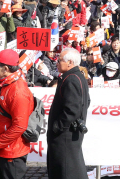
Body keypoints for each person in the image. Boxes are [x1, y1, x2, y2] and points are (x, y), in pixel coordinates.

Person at [0, 49, 34, 179]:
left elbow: (19, 126)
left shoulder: (17, 91)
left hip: (12, 153)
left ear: (5, 68)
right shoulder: (4, 84)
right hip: (1, 149)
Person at [47, 48, 91, 179]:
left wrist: (57, 126)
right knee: (71, 168)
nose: (57, 63)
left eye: (59, 60)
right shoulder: (78, 76)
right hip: (70, 133)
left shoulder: (71, 79)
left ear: (70, 62)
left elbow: (72, 109)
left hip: (65, 135)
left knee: (66, 171)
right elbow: (86, 101)